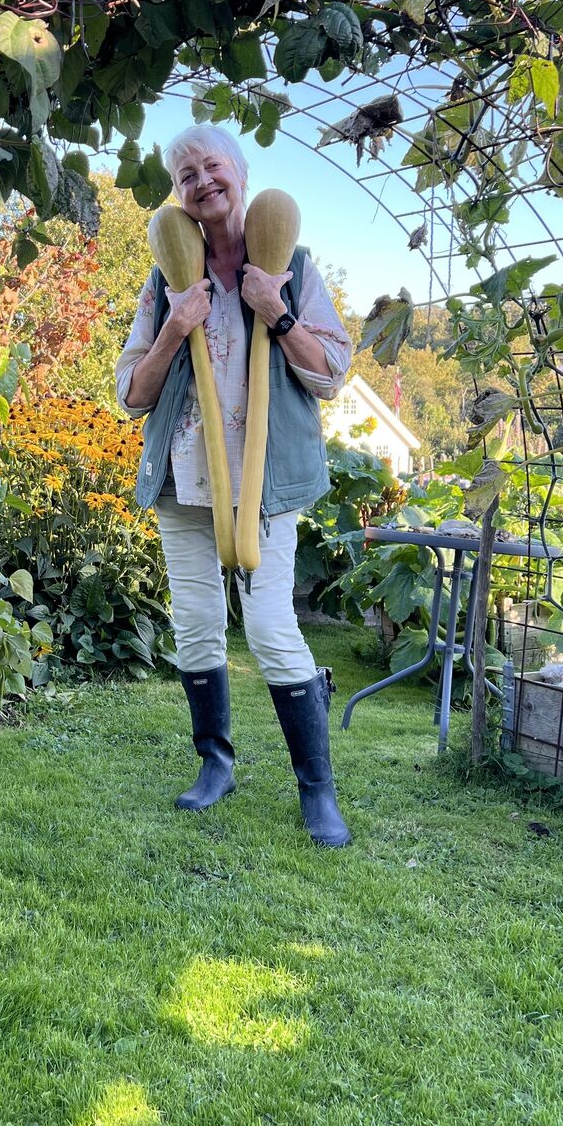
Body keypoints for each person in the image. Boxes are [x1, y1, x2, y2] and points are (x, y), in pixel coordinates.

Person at [115, 125, 353, 847]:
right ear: (178, 194)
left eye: (211, 166)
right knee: (195, 622)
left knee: (273, 626)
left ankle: (317, 789)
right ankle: (215, 764)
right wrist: (174, 325)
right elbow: (132, 395)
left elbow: (331, 375)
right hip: (183, 476)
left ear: (240, 174)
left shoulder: (293, 265)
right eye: (185, 175)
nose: (201, 182)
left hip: (265, 482)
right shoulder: (166, 278)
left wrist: (276, 310)